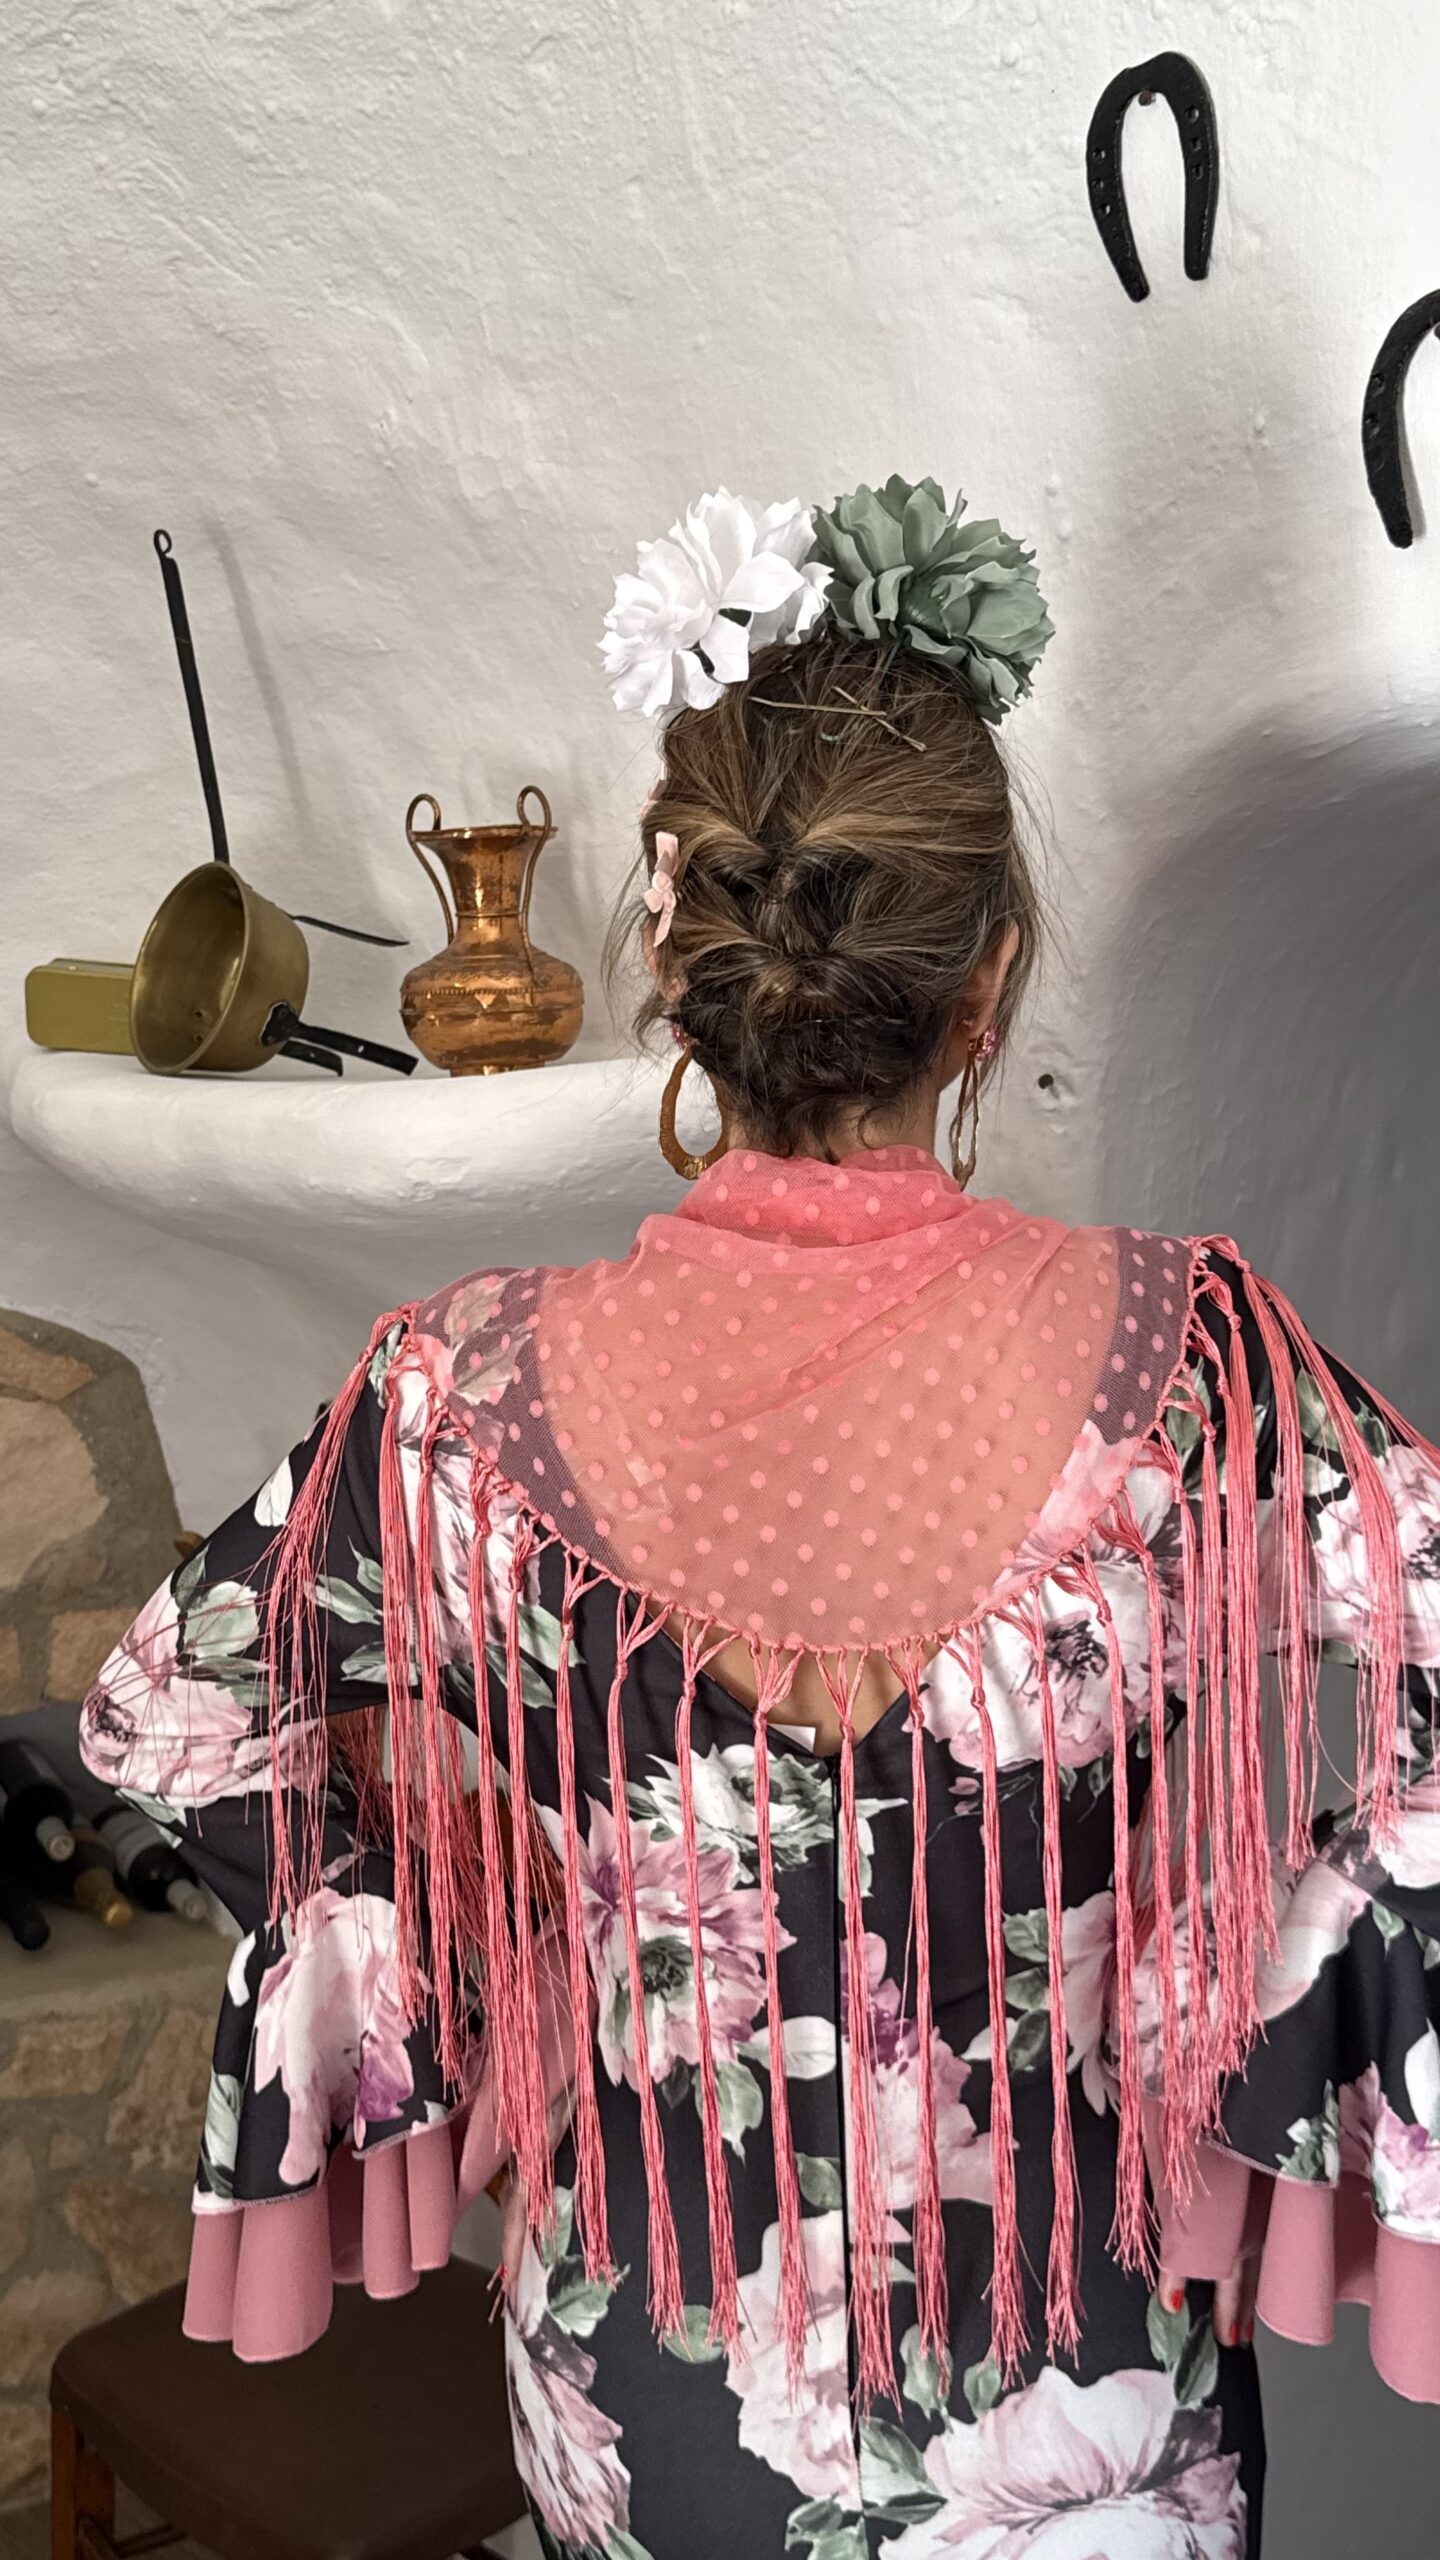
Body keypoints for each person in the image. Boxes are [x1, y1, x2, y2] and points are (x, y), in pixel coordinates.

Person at [82, 478, 1440, 2560]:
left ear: (675, 957)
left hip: (648, 2386)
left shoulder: (449, 1400)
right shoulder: (1201, 1367)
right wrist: (1217, 1960)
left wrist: (504, 1930)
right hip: (1091, 2388)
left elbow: (168, 1713)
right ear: (988, 987)